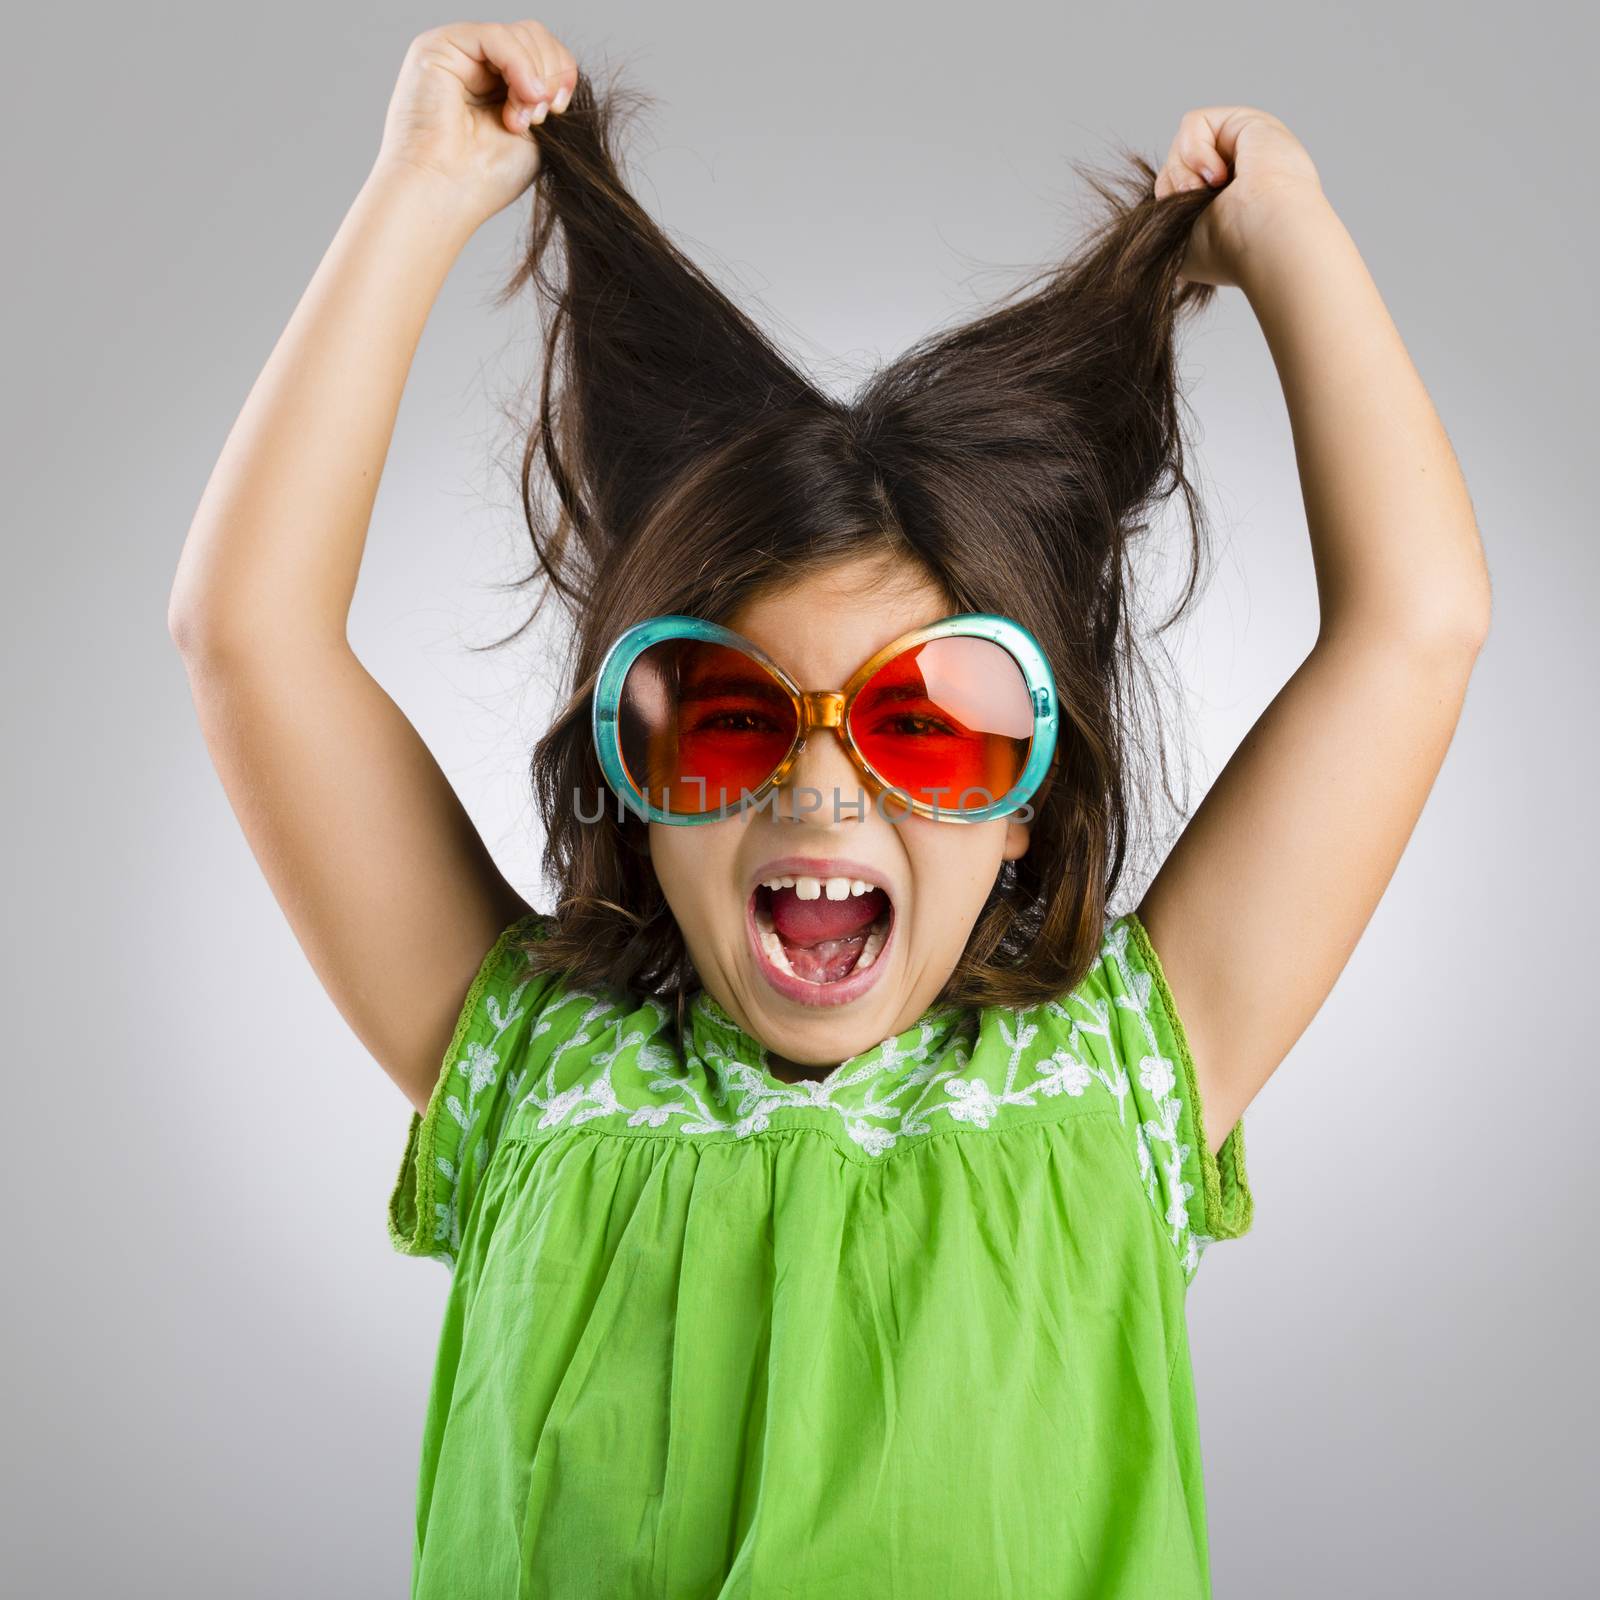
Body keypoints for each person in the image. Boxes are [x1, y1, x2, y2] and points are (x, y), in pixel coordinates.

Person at [168, 18, 1492, 1599]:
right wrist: (418, 192)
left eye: (924, 726)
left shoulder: (1127, 1063)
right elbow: (246, 634)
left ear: (1026, 806)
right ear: (634, 783)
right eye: (724, 718)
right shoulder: (529, 1058)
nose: (817, 781)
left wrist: (1292, 241)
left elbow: (1418, 628)